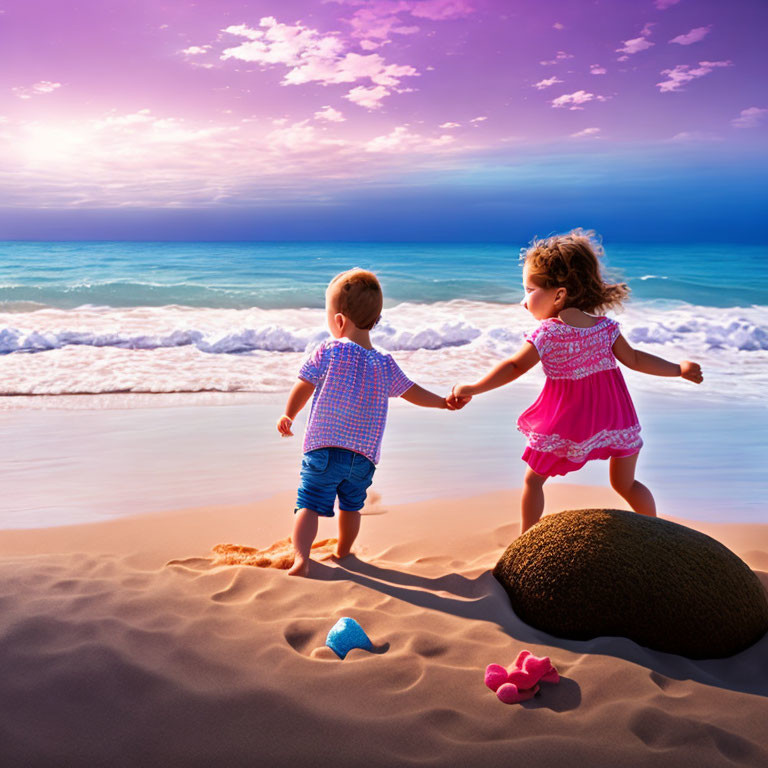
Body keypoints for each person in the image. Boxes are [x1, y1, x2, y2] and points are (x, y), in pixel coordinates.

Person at [453, 229, 703, 534]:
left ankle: (524, 544)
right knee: (625, 483)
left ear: (559, 294)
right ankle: (657, 536)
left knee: (533, 481)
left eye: (529, 290)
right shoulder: (605, 329)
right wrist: (679, 369)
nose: (523, 301)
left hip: (569, 422)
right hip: (615, 418)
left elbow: (515, 366)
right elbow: (636, 359)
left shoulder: (548, 333)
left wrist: (474, 388)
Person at [278, 268, 464, 576]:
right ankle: (343, 550)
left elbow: (304, 383)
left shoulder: (328, 349)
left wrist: (289, 414)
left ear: (338, 321)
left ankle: (301, 559)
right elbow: (412, 392)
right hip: (362, 459)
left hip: (322, 450)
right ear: (375, 321)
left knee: (308, 504)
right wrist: (443, 403)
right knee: (351, 507)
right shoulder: (385, 364)